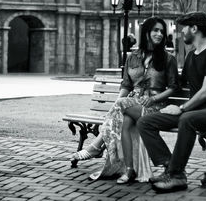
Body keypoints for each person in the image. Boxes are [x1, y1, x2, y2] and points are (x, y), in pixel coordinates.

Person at [71, 17, 179, 183]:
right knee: (125, 124)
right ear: (146, 33)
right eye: (155, 30)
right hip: (131, 104)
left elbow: (173, 87)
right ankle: (129, 170)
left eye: (162, 31)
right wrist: (119, 105)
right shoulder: (132, 57)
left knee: (120, 104)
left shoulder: (168, 58)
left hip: (154, 106)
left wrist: (154, 98)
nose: (159, 34)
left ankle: (96, 146)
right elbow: (126, 84)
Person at [137, 12, 206, 193]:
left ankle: (177, 175)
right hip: (192, 111)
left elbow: (205, 92)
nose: (181, 32)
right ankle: (170, 166)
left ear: (194, 29)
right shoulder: (190, 55)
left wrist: (181, 108)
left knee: (187, 119)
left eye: (184, 28)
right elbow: (179, 84)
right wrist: (153, 70)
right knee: (145, 122)